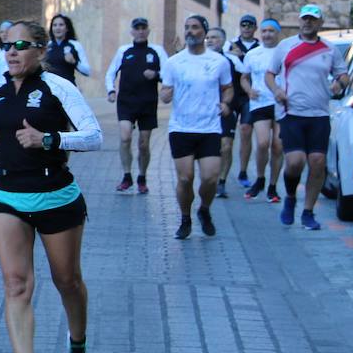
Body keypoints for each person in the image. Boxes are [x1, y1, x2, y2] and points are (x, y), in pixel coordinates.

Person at [0, 21, 101, 353]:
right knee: (16, 283)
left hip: (55, 194)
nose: (11, 52)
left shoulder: (58, 86)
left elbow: (94, 136)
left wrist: (49, 138)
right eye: (6, 46)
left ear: (40, 49)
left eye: (20, 45)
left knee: (67, 281)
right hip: (8, 195)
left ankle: (78, 343)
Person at [266, 4, 349, 231]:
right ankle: (291, 197)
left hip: (320, 114)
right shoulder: (286, 46)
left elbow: (343, 75)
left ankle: (308, 212)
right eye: (305, 18)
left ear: (320, 23)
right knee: (295, 162)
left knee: (317, 162)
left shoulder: (329, 49)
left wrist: (338, 84)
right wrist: (276, 91)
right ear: (300, 21)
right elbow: (269, 75)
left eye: (313, 19)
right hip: (291, 112)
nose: (308, 22)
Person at [160, 15, 233, 240]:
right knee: (185, 178)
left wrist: (225, 103)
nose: (190, 31)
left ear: (204, 31)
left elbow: (228, 88)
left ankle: (204, 209)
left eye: (195, 27)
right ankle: (185, 218)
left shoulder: (219, 61)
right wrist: (165, 94)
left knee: (210, 178)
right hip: (181, 127)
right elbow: (164, 93)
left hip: (209, 127)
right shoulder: (174, 62)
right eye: (187, 27)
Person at [105, 16, 167, 194]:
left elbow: (169, 74)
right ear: (131, 31)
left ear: (148, 30)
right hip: (126, 102)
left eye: (143, 28)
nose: (140, 31)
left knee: (143, 143)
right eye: (137, 28)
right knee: (125, 138)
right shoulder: (123, 50)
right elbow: (110, 73)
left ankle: (142, 177)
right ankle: (126, 176)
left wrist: (155, 75)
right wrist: (111, 90)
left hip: (148, 103)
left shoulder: (157, 51)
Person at [241, 18, 285, 203]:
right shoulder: (253, 54)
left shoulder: (285, 53)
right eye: (265, 31)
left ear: (278, 33)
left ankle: (273, 187)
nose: (267, 34)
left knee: (277, 146)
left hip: (281, 103)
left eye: (271, 31)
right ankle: (260, 178)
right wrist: (249, 90)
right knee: (262, 143)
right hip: (260, 103)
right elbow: (244, 77)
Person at [205, 27, 249, 199]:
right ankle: (208, 179)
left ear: (223, 41)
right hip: (204, 112)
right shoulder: (199, 60)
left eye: (214, 37)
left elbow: (247, 76)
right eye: (208, 37)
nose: (210, 40)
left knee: (226, 146)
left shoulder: (232, 60)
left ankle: (221, 182)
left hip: (226, 109)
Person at [228, 13, 260, 186]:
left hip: (249, 95)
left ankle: (242, 171)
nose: (246, 28)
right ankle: (222, 173)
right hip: (232, 94)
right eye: (243, 25)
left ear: (255, 28)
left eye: (250, 25)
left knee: (246, 130)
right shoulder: (230, 45)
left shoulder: (260, 47)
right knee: (226, 137)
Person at [43, 14, 92, 86]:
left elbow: (87, 71)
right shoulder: (48, 45)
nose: (57, 28)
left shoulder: (75, 45)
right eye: (54, 25)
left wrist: (74, 62)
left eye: (61, 25)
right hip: (50, 89)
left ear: (67, 28)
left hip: (68, 88)